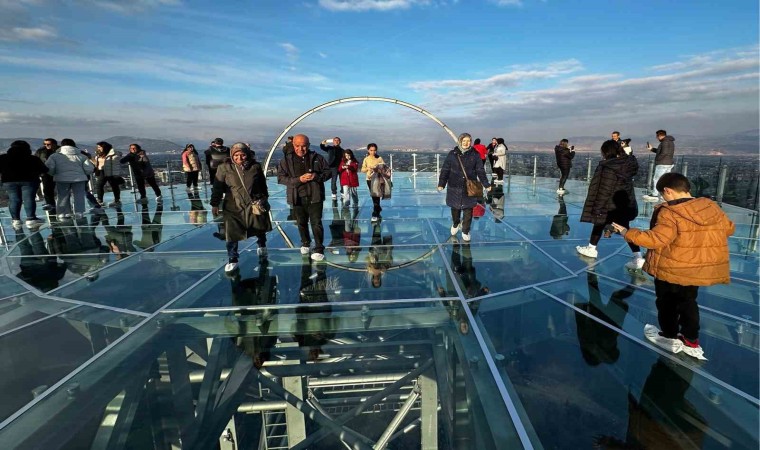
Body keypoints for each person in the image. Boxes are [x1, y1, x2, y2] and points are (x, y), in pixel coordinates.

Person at [612, 172, 735, 360]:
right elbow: (729, 228)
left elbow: (657, 239)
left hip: (672, 267)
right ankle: (691, 341)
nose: (663, 198)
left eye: (663, 194)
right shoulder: (710, 206)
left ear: (668, 191)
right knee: (688, 302)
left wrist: (627, 232)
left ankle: (669, 337)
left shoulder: (670, 212)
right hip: (697, 268)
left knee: (667, 303)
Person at [576, 139, 641, 266]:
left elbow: (604, 189)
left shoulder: (609, 166)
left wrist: (597, 208)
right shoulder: (627, 163)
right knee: (624, 227)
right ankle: (638, 256)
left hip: (609, 205)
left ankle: (591, 248)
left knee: (599, 223)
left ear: (606, 152)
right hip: (624, 204)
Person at [211, 143, 272, 273]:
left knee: (259, 226)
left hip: (253, 203)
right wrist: (215, 203)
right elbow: (217, 187)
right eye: (236, 155)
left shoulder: (255, 167)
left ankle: (262, 244)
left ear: (247, 155)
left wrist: (264, 197)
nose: (240, 158)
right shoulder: (224, 168)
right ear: (232, 155)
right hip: (233, 205)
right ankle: (232, 258)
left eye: (243, 155)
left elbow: (262, 184)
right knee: (232, 233)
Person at [277, 134, 330, 262]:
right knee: (301, 222)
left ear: (309, 145)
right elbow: (281, 178)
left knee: (316, 223)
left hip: (315, 196)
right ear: (293, 145)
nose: (301, 149)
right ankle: (305, 242)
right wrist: (298, 180)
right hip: (297, 197)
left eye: (304, 146)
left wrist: (315, 177)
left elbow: (328, 173)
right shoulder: (286, 160)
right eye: (298, 146)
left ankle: (318, 248)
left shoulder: (317, 158)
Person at [437, 133, 491, 242]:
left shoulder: (475, 155)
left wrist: (486, 184)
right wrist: (441, 183)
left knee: (468, 210)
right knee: (455, 209)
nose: (467, 143)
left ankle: (465, 230)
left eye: (469, 141)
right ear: (460, 141)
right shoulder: (452, 154)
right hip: (454, 186)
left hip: (469, 186)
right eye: (464, 141)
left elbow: (480, 170)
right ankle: (456, 223)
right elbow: (445, 169)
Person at [0, 140, 48, 229]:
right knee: (29, 199)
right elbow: (44, 170)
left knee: (14, 199)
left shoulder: (3, 158)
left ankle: (16, 220)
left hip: (9, 181)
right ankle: (31, 219)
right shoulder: (33, 158)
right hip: (29, 181)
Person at [45, 138, 95, 220]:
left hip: (61, 179)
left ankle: (63, 213)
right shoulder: (81, 156)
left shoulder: (54, 156)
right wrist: (83, 174)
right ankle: (79, 212)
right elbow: (89, 168)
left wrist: (54, 174)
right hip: (79, 178)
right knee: (79, 195)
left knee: (62, 196)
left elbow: (49, 168)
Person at [643, 129, 676, 202]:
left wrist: (658, 159)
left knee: (657, 179)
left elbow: (663, 153)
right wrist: (651, 149)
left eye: (657, 136)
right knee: (665, 180)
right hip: (669, 163)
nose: (656, 138)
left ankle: (655, 194)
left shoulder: (664, 142)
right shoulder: (670, 142)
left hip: (662, 164)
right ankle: (664, 195)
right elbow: (660, 151)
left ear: (660, 136)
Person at [360, 143, 388, 222]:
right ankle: (377, 207)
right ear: (368, 150)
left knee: (376, 194)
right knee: (373, 195)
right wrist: (368, 168)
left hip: (378, 178)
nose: (373, 152)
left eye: (374, 150)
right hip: (369, 179)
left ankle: (375, 212)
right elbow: (362, 170)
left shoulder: (379, 158)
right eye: (371, 150)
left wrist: (377, 168)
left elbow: (384, 167)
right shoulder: (366, 159)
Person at [94, 141, 122, 207]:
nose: (98, 148)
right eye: (98, 147)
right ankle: (100, 200)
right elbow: (97, 162)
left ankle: (117, 200)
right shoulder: (99, 154)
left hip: (111, 172)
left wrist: (115, 174)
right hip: (102, 171)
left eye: (99, 147)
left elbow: (115, 163)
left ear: (104, 147)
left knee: (114, 186)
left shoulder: (114, 153)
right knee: (99, 185)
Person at [35, 138, 58, 211]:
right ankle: (50, 204)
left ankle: (63, 206)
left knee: (61, 189)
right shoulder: (41, 151)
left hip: (59, 172)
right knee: (47, 189)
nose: (46, 146)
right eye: (45, 144)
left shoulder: (60, 151)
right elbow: (37, 160)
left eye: (48, 144)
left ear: (54, 144)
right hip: (46, 173)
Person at [319, 136, 343, 200]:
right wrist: (322, 143)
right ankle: (334, 193)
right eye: (335, 140)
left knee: (342, 180)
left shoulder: (342, 150)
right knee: (334, 180)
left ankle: (342, 192)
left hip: (341, 166)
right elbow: (322, 147)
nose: (336, 141)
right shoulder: (330, 148)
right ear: (333, 141)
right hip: (333, 166)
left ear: (340, 142)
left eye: (338, 140)